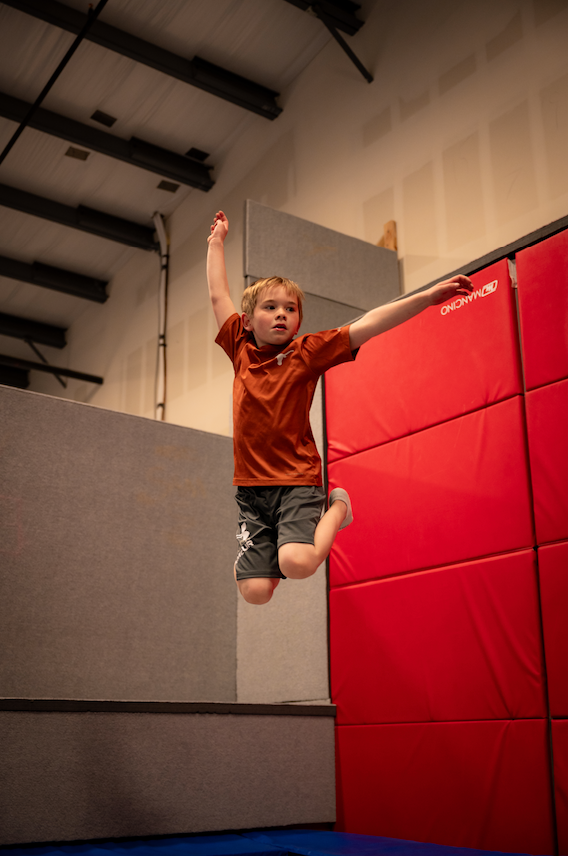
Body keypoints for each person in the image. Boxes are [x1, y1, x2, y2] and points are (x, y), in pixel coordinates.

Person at [207, 210, 473, 605]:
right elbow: (217, 294)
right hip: (251, 488)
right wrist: (216, 241)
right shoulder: (238, 347)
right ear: (247, 321)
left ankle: (338, 506)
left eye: (290, 309)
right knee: (256, 593)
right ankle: (268, 558)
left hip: (297, 478)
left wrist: (426, 298)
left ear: (298, 322)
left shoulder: (307, 352)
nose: (282, 313)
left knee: (298, 562)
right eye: (270, 307)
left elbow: (369, 323)